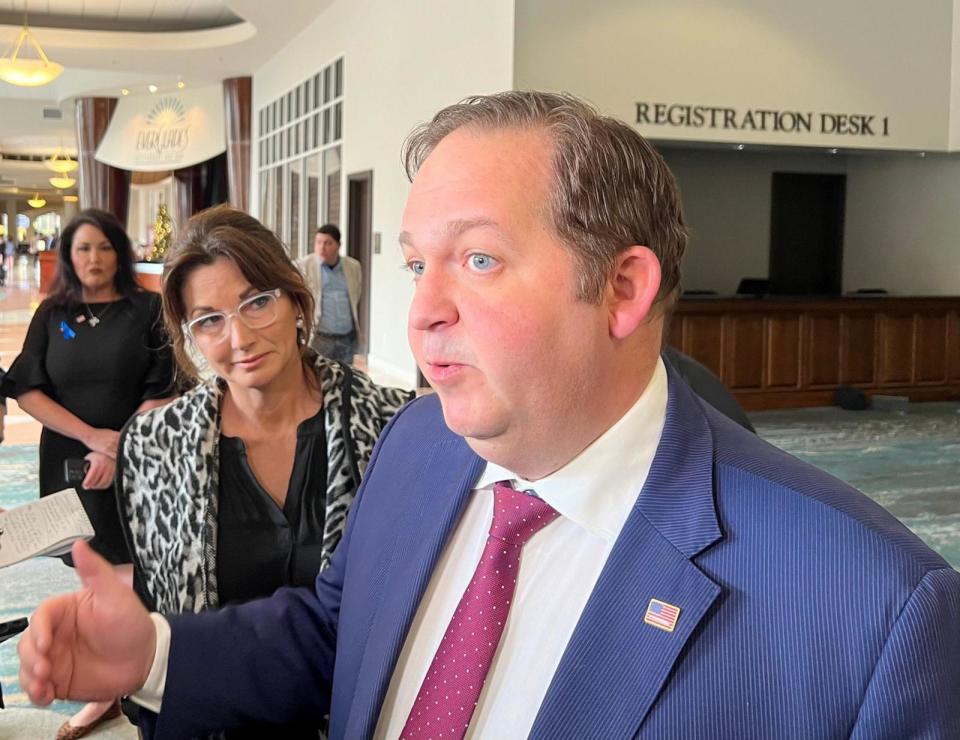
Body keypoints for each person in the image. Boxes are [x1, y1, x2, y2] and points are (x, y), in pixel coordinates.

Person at [19, 92, 960, 739]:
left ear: (623, 288)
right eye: (418, 262)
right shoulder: (422, 442)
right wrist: (155, 650)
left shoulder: (876, 612)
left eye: (475, 260)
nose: (423, 308)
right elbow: (337, 635)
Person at [112, 205, 411, 737]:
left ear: (296, 298)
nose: (239, 338)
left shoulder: (391, 427)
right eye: (209, 321)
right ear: (191, 336)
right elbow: (154, 608)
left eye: (257, 302)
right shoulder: (157, 447)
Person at [1, 208, 175, 738]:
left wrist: (116, 448)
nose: (93, 258)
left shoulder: (147, 308)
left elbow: (162, 387)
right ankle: (111, 690)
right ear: (68, 256)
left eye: (103, 247)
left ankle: (124, 686)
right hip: (69, 461)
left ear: (118, 252)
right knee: (89, 564)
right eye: (82, 249)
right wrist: (91, 439)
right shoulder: (52, 313)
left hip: (136, 459)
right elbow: (26, 386)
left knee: (129, 573)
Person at [296, 224, 362, 364]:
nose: (322, 247)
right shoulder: (304, 266)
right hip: (320, 337)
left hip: (346, 337)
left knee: (346, 379)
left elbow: (356, 294)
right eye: (318, 242)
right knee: (320, 380)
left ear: (338, 245)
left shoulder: (353, 267)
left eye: (328, 243)